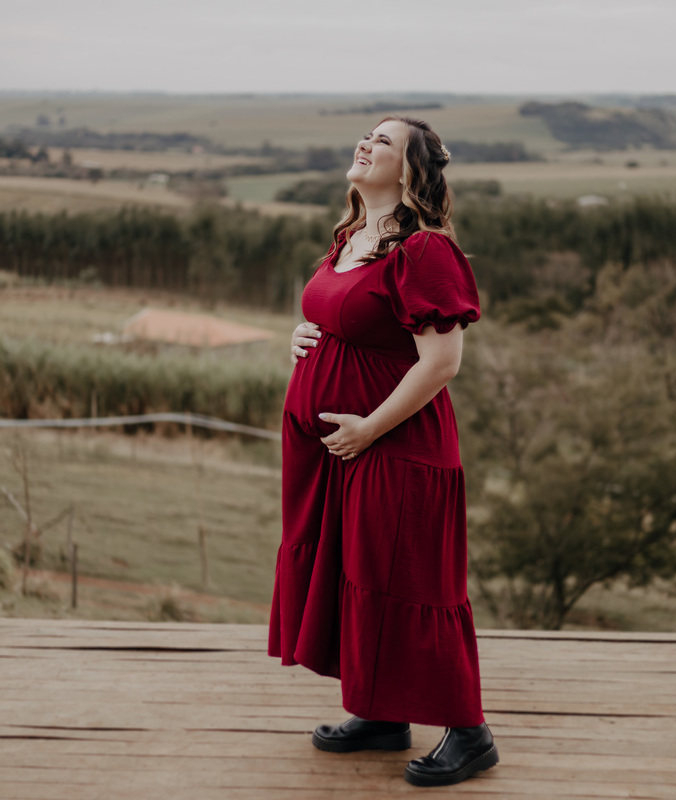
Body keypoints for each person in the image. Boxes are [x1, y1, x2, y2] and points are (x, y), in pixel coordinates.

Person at [267, 116, 497, 787]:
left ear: (411, 171)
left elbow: (442, 362)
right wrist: (304, 339)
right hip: (338, 452)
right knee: (360, 573)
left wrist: (369, 427)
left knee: (416, 583)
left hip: (397, 446)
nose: (366, 144)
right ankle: (381, 711)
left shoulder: (425, 251)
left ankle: (470, 731)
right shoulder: (350, 239)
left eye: (385, 142)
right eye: (366, 135)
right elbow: (342, 316)